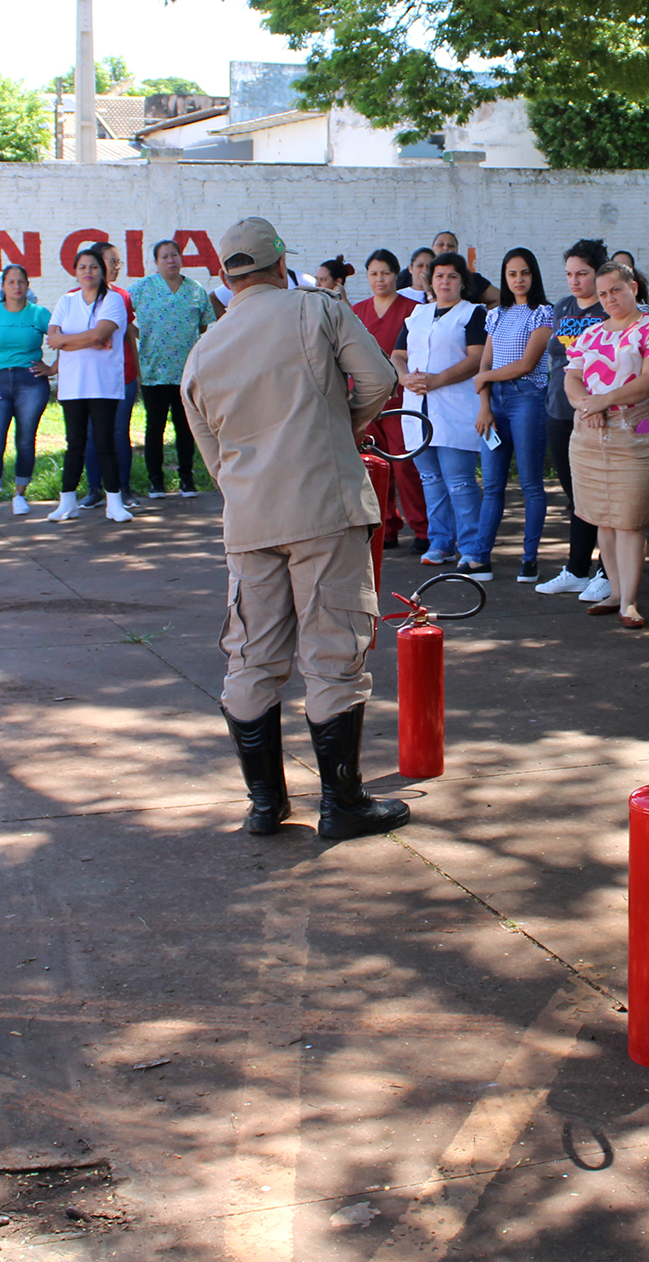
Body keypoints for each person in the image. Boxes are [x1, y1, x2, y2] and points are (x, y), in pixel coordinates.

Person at [183, 216, 407, 841]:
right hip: (324, 506)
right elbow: (381, 380)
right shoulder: (318, 310)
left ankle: (264, 805)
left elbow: (214, 458)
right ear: (282, 264)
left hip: (250, 518)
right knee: (333, 652)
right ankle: (342, 805)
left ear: (228, 276)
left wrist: (251, 488)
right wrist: (343, 429)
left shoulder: (204, 351)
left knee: (251, 656)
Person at [564, 262, 649, 628]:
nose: (609, 298)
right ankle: (614, 591)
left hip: (636, 430)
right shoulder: (590, 334)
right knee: (603, 519)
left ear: (634, 288)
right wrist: (587, 405)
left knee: (628, 520)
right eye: (603, 294)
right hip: (589, 434)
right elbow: (573, 380)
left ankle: (630, 601)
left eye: (616, 290)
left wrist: (602, 401)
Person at [396, 252, 489, 570]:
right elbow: (398, 354)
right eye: (439, 276)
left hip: (455, 406)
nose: (445, 281)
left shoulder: (472, 313)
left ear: (463, 281)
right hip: (417, 406)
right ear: (429, 281)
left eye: (452, 276)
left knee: (460, 481)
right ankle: (440, 543)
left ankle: (473, 546)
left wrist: (438, 380)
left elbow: (476, 358)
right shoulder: (417, 315)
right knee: (430, 479)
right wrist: (404, 377)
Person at [469, 246, 555, 581]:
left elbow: (526, 364)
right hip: (496, 403)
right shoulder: (496, 314)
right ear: (505, 278)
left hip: (527, 400)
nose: (519, 280)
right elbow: (485, 363)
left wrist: (484, 378)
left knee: (531, 484)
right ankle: (479, 558)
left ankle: (530, 559)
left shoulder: (542, 313)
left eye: (525, 273)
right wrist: (484, 405)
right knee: (491, 485)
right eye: (512, 274)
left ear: (534, 275)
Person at [536, 240, 612, 600]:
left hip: (597, 415)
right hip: (558, 410)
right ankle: (577, 569)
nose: (574, 281)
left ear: (599, 272)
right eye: (569, 274)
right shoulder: (563, 307)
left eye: (582, 273)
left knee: (603, 495)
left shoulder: (608, 307)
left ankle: (608, 572)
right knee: (576, 497)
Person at [47, 244, 134, 522]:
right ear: (75, 271)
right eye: (83, 267)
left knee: (105, 442)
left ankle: (114, 503)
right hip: (72, 385)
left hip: (103, 385)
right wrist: (87, 340)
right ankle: (67, 502)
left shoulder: (113, 301)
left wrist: (68, 340)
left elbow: (101, 335)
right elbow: (53, 339)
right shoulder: (66, 301)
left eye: (94, 266)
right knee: (74, 443)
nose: (88, 271)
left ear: (102, 271)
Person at [351, 250, 430, 552]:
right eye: (373, 273)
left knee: (405, 465)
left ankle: (422, 530)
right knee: (374, 465)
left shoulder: (415, 310)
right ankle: (385, 528)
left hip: (402, 399)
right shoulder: (357, 311)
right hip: (367, 400)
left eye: (385, 273)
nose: (379, 279)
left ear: (397, 275)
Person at [131, 237, 216, 497]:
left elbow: (203, 325)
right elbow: (123, 320)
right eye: (164, 256)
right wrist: (143, 337)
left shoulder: (195, 289)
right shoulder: (142, 288)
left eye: (174, 255)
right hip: (153, 371)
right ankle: (156, 480)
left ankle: (187, 479)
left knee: (185, 427)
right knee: (154, 427)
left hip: (186, 372)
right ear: (156, 263)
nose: (171, 260)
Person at [0, 263, 53, 517]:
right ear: (3, 286)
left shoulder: (39, 313)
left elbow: (63, 339)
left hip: (31, 384)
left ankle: (20, 494)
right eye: (11, 282)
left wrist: (52, 368)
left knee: (26, 441)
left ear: (27, 286)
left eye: (21, 282)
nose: (16, 287)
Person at [99, 241, 142, 504]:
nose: (117, 266)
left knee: (119, 433)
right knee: (94, 435)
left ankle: (123, 488)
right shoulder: (75, 296)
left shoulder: (123, 296)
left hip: (123, 375)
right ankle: (95, 490)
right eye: (112, 261)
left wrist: (137, 372)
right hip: (94, 378)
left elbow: (128, 335)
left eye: (118, 262)